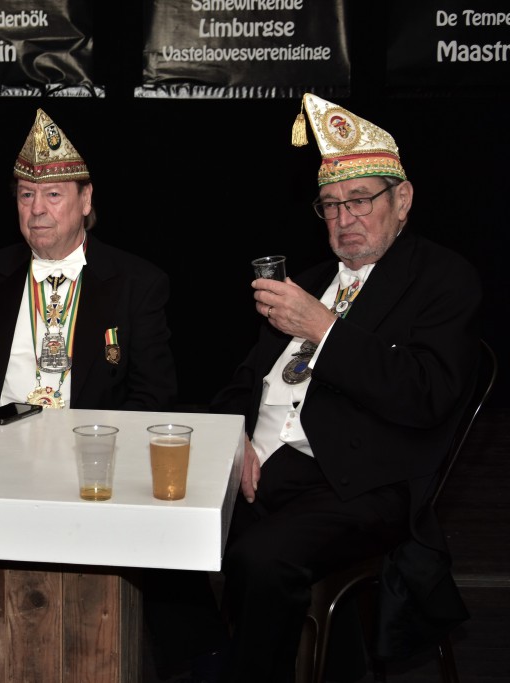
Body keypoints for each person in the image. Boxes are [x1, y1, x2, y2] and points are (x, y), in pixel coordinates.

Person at [209, 93, 481, 682]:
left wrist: (323, 328)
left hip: (356, 483)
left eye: (360, 200)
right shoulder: (309, 282)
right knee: (165, 533)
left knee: (260, 558)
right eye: (331, 205)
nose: (344, 218)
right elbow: (241, 383)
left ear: (402, 201)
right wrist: (234, 437)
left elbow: (426, 394)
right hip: (264, 471)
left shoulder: (441, 279)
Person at [0, 108, 177, 411]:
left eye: (53, 195)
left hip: (91, 437)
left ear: (85, 199)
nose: (37, 209)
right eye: (27, 195)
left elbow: (154, 396)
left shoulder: (139, 284)